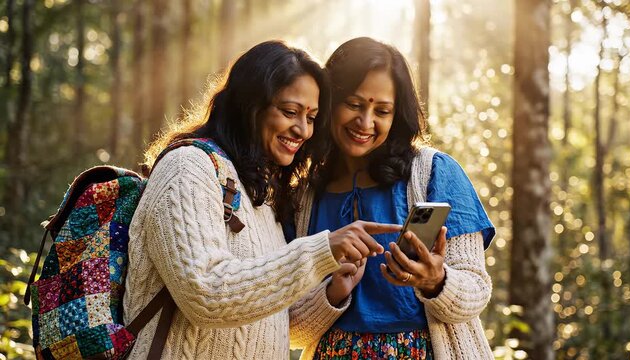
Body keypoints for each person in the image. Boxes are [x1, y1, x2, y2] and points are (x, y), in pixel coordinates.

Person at [123, 40, 401, 359]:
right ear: (250, 105)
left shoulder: (262, 193)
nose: (303, 130)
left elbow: (275, 322)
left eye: (311, 117)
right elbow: (206, 294)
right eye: (290, 111)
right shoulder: (188, 167)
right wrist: (319, 250)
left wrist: (333, 289)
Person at [291, 37, 495, 359]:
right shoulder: (305, 195)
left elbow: (476, 292)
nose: (366, 122)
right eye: (354, 104)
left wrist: (436, 281)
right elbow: (291, 327)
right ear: (328, 102)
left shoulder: (433, 173)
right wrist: (332, 294)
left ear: (396, 114)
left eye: (382, 110)